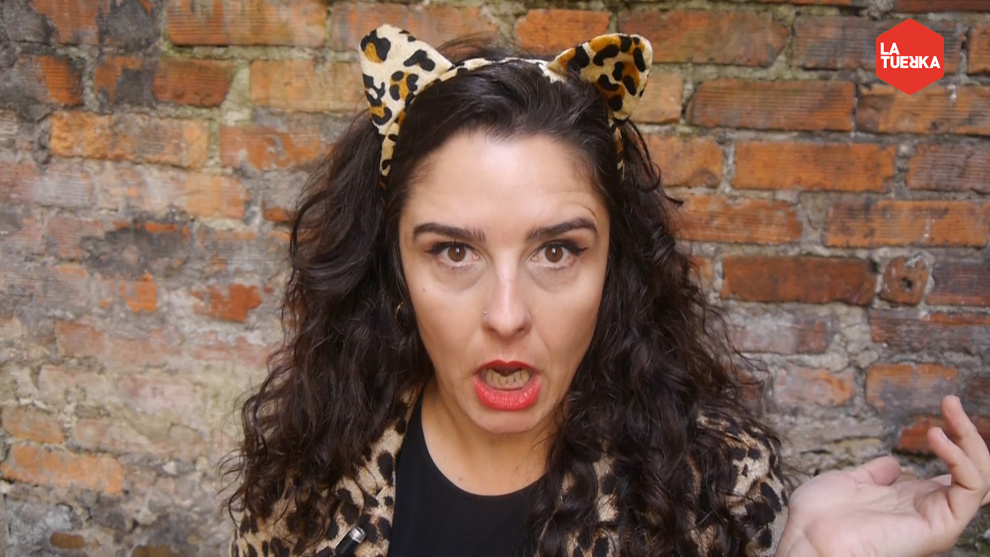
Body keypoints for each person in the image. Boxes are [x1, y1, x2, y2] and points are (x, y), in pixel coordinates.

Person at [224, 24, 990, 556]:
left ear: (613, 266)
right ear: (394, 265)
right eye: (453, 251)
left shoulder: (711, 496)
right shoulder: (307, 485)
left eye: (557, 250)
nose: (506, 315)